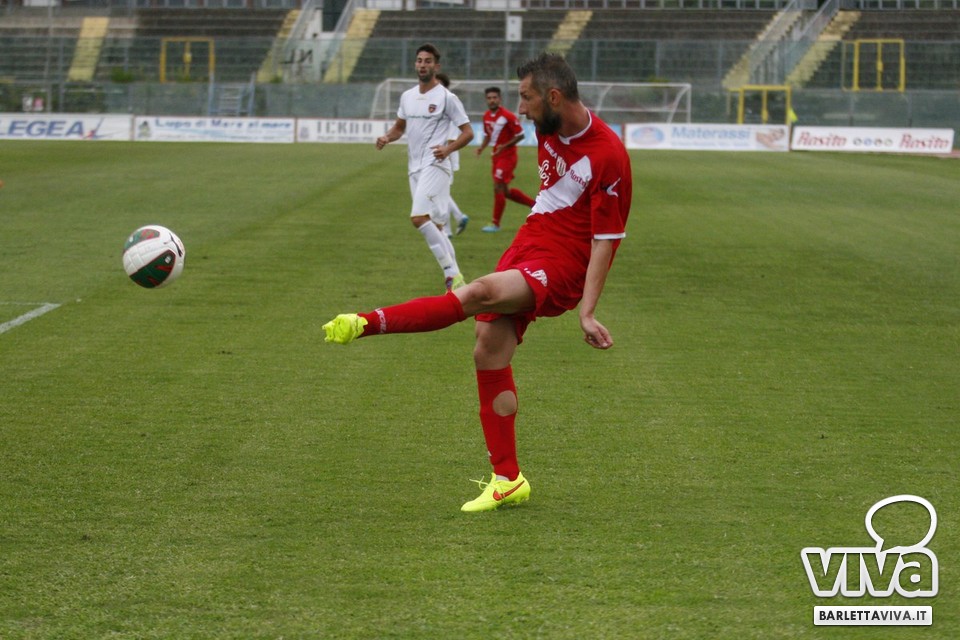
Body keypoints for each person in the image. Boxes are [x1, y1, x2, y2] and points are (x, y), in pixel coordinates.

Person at [325, 52, 632, 513]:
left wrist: (587, 311)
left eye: (526, 98)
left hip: (565, 262)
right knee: (488, 348)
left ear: (553, 96)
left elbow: (605, 240)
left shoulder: (608, 155)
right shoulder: (549, 127)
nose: (520, 109)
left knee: (480, 292)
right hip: (530, 241)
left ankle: (365, 322)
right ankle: (508, 478)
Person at [375, 43, 474, 291]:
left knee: (418, 218)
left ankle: (451, 273)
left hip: (436, 164)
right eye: (419, 60)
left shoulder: (447, 98)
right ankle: (459, 281)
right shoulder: (407, 97)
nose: (422, 65)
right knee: (437, 226)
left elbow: (468, 132)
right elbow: (399, 128)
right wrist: (387, 137)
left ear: (436, 66)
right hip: (414, 168)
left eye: (428, 61)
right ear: (415, 64)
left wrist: (448, 149)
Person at [475, 86, 536, 233]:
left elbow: (521, 135)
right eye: (489, 98)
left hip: (508, 157)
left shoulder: (508, 116)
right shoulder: (486, 116)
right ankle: (535, 205)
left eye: (494, 97)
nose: (492, 100)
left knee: (498, 187)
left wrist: (504, 146)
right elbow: (488, 135)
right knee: (505, 191)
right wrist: (481, 148)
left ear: (500, 99)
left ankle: (495, 224)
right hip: (496, 156)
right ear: (486, 100)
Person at [435, 72, 470, 238]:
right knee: (441, 193)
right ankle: (449, 228)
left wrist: (446, 156)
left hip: (445, 156)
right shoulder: (440, 106)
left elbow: (451, 138)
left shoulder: (449, 104)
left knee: (440, 194)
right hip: (441, 155)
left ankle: (457, 218)